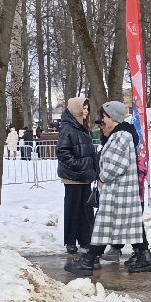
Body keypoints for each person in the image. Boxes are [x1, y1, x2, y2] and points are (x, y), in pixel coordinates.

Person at [67, 101, 151, 275]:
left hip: (117, 191)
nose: (102, 122)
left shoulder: (121, 136)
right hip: (119, 191)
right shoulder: (120, 134)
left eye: (104, 117)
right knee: (124, 224)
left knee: (104, 225)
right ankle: (143, 256)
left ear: (113, 117)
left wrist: (102, 176)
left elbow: (116, 164)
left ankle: (90, 259)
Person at [57, 97, 97, 256]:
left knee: (85, 209)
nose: (85, 111)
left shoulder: (81, 127)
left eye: (87, 108)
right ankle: (71, 241)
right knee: (73, 209)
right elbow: (63, 152)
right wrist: (80, 166)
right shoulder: (68, 128)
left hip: (84, 176)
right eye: (83, 108)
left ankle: (85, 239)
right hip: (73, 177)